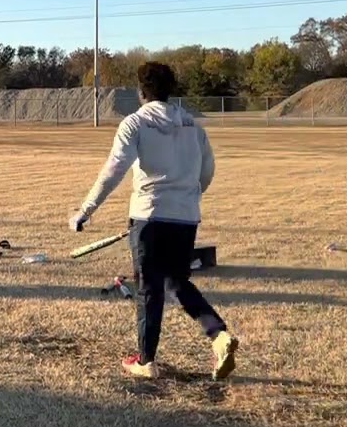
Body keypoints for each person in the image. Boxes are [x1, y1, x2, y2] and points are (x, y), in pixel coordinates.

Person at [68, 61, 238, 380]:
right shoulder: (193, 126)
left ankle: (146, 360)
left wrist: (85, 210)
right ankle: (218, 335)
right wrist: (187, 197)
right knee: (177, 282)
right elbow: (207, 171)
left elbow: (114, 170)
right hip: (186, 217)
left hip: (148, 216)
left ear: (141, 91)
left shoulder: (135, 123)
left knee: (149, 289)